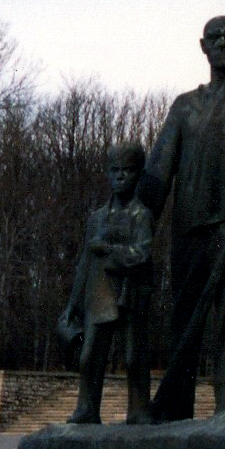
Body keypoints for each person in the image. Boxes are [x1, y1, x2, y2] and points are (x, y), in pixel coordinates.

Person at [140, 15, 225, 419]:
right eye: (215, 38)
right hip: (189, 227)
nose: (223, 44)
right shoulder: (185, 106)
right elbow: (158, 170)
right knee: (183, 317)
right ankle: (175, 406)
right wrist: (139, 222)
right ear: (203, 46)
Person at [59, 142, 154, 425]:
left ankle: (138, 411)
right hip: (99, 294)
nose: (120, 177)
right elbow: (84, 266)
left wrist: (110, 251)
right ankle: (87, 410)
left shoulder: (142, 215)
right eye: (114, 171)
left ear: (138, 174)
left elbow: (143, 254)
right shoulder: (96, 217)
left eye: (127, 170)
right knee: (89, 357)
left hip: (131, 294)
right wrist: (72, 305)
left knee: (134, 358)